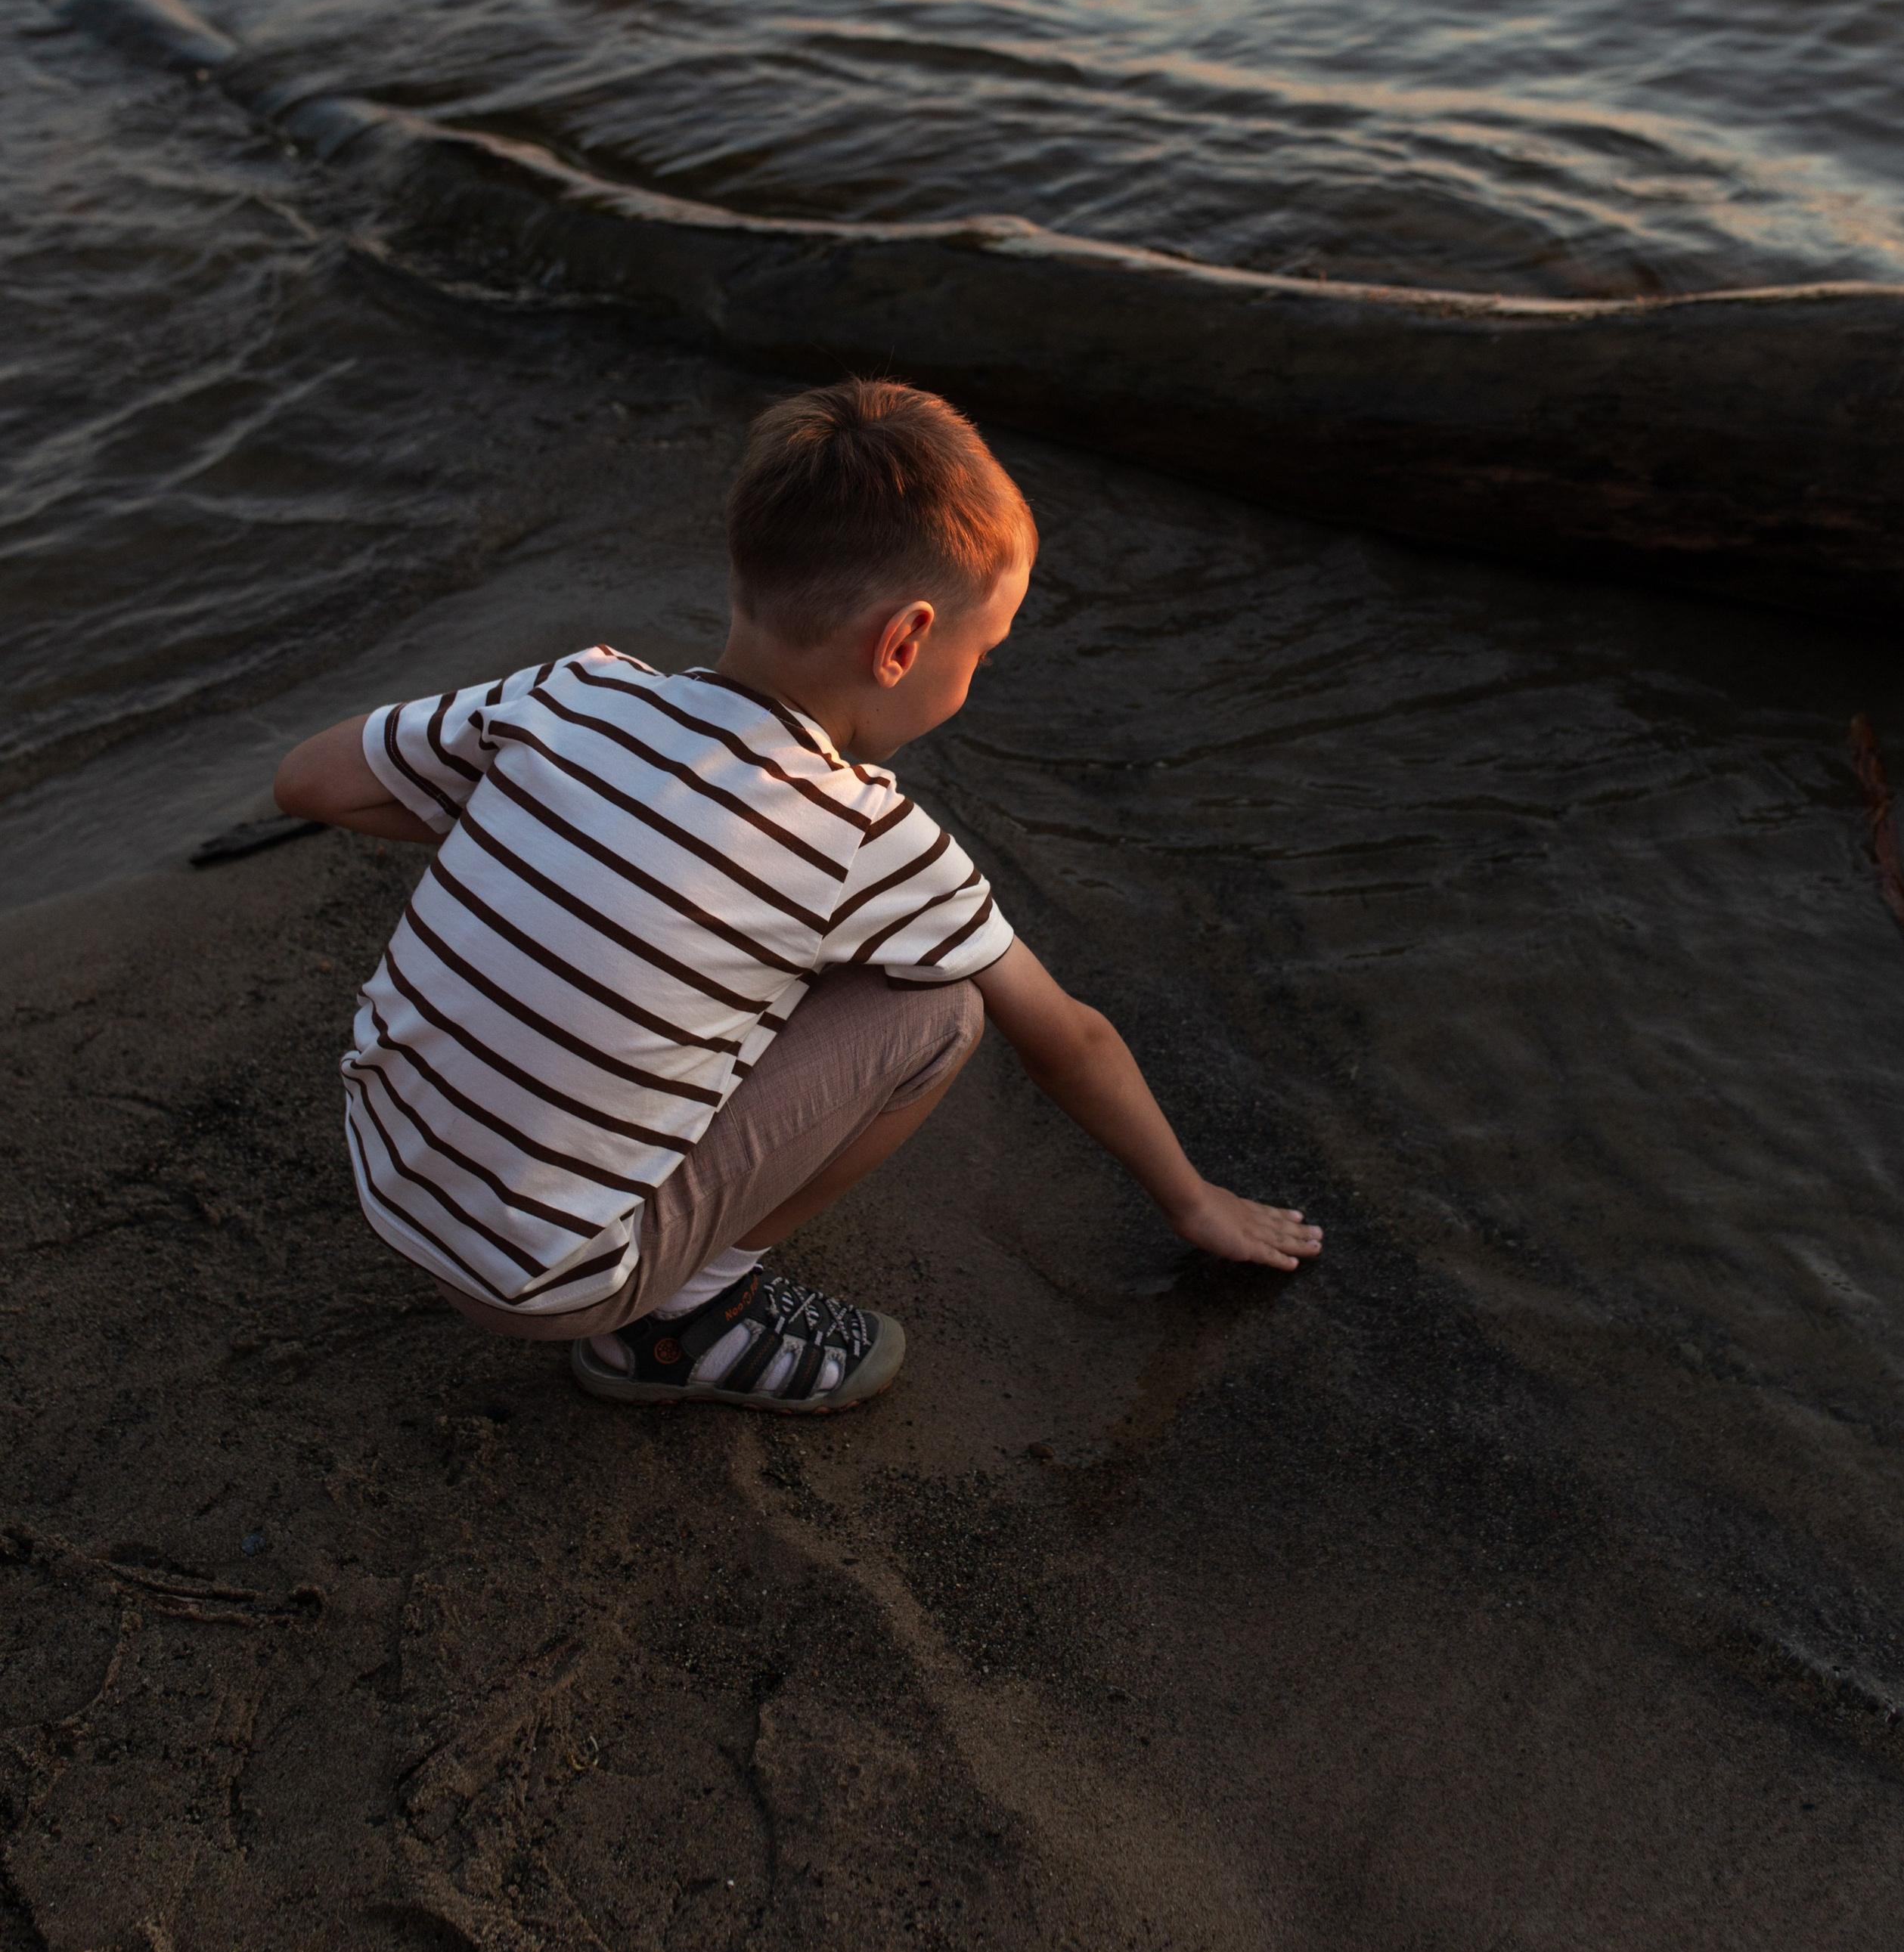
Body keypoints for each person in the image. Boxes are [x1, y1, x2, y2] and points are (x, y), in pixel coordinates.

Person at [274, 378, 1321, 1416]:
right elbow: (1069, 1039)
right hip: (548, 1280)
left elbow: (311, 781)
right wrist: (1194, 1203)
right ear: (905, 642)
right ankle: (681, 1327)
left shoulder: (575, 692)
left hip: (385, 1158)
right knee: (935, 1011)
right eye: (982, 653)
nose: (975, 677)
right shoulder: (865, 835)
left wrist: (576, 831)